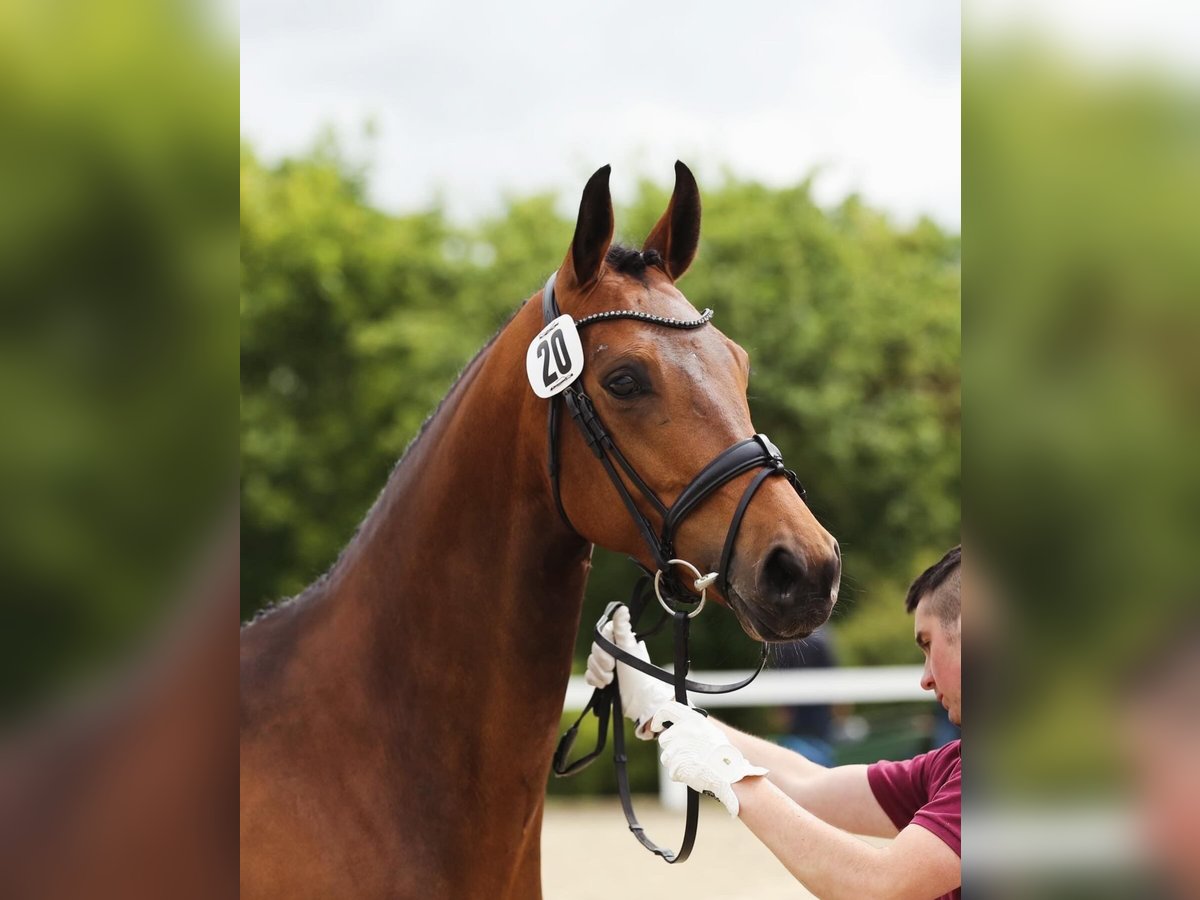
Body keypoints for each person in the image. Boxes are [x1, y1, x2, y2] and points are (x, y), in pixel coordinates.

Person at [586, 545, 962, 900]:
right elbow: (810, 784)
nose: (925, 678)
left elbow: (879, 885)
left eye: (929, 645)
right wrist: (662, 708)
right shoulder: (953, 765)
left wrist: (728, 774)